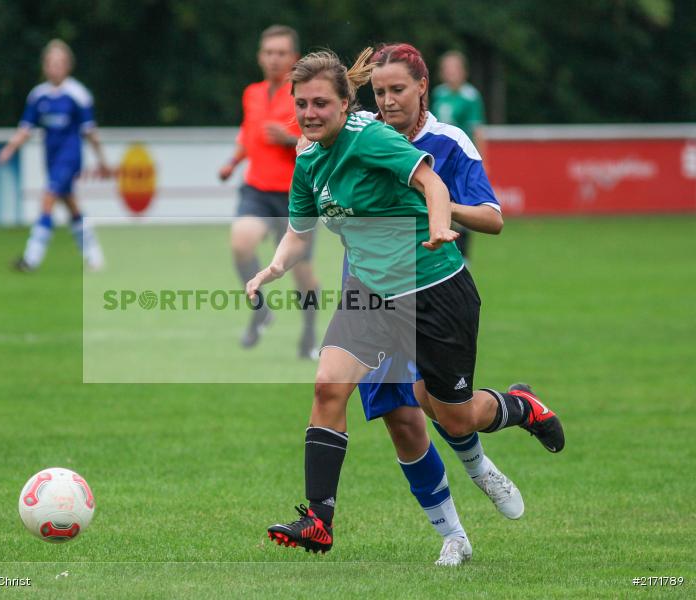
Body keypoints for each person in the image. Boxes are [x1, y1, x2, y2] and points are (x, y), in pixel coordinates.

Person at [247, 49, 564, 559]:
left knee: (451, 415)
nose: (308, 114)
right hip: (369, 294)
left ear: (423, 87)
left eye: (320, 103)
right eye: (301, 104)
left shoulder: (401, 140)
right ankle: (334, 522)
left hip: (434, 292)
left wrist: (440, 223)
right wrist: (272, 268)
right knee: (355, 396)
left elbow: (443, 189)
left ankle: (515, 410)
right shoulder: (315, 155)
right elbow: (298, 230)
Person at [218, 25, 320, 357]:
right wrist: (233, 162)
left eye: (281, 53)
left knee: (302, 277)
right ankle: (261, 310)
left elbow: (321, 142)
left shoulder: (306, 97)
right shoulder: (252, 93)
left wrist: (290, 139)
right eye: (268, 52)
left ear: (294, 58)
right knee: (241, 243)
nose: (274, 59)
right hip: (257, 189)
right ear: (260, 56)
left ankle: (308, 336)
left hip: (296, 195)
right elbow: (248, 135)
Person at [0, 39, 112, 272]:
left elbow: (90, 133)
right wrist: (10, 149)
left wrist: (102, 161)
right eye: (50, 63)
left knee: (48, 198)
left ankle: (32, 258)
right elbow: (25, 129)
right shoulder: (38, 96)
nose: (54, 67)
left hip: (70, 158)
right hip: (50, 158)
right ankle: (94, 256)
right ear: (44, 66)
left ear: (68, 65)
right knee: (71, 206)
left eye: (59, 63)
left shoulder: (78, 95)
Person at [431, 51, 487, 259]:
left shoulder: (470, 97)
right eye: (446, 68)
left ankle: (463, 257)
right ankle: (444, 255)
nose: (450, 73)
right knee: (440, 204)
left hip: (460, 162)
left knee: (462, 208)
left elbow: (478, 130)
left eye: (454, 68)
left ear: (463, 72)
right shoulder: (438, 94)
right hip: (440, 160)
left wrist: (481, 163)